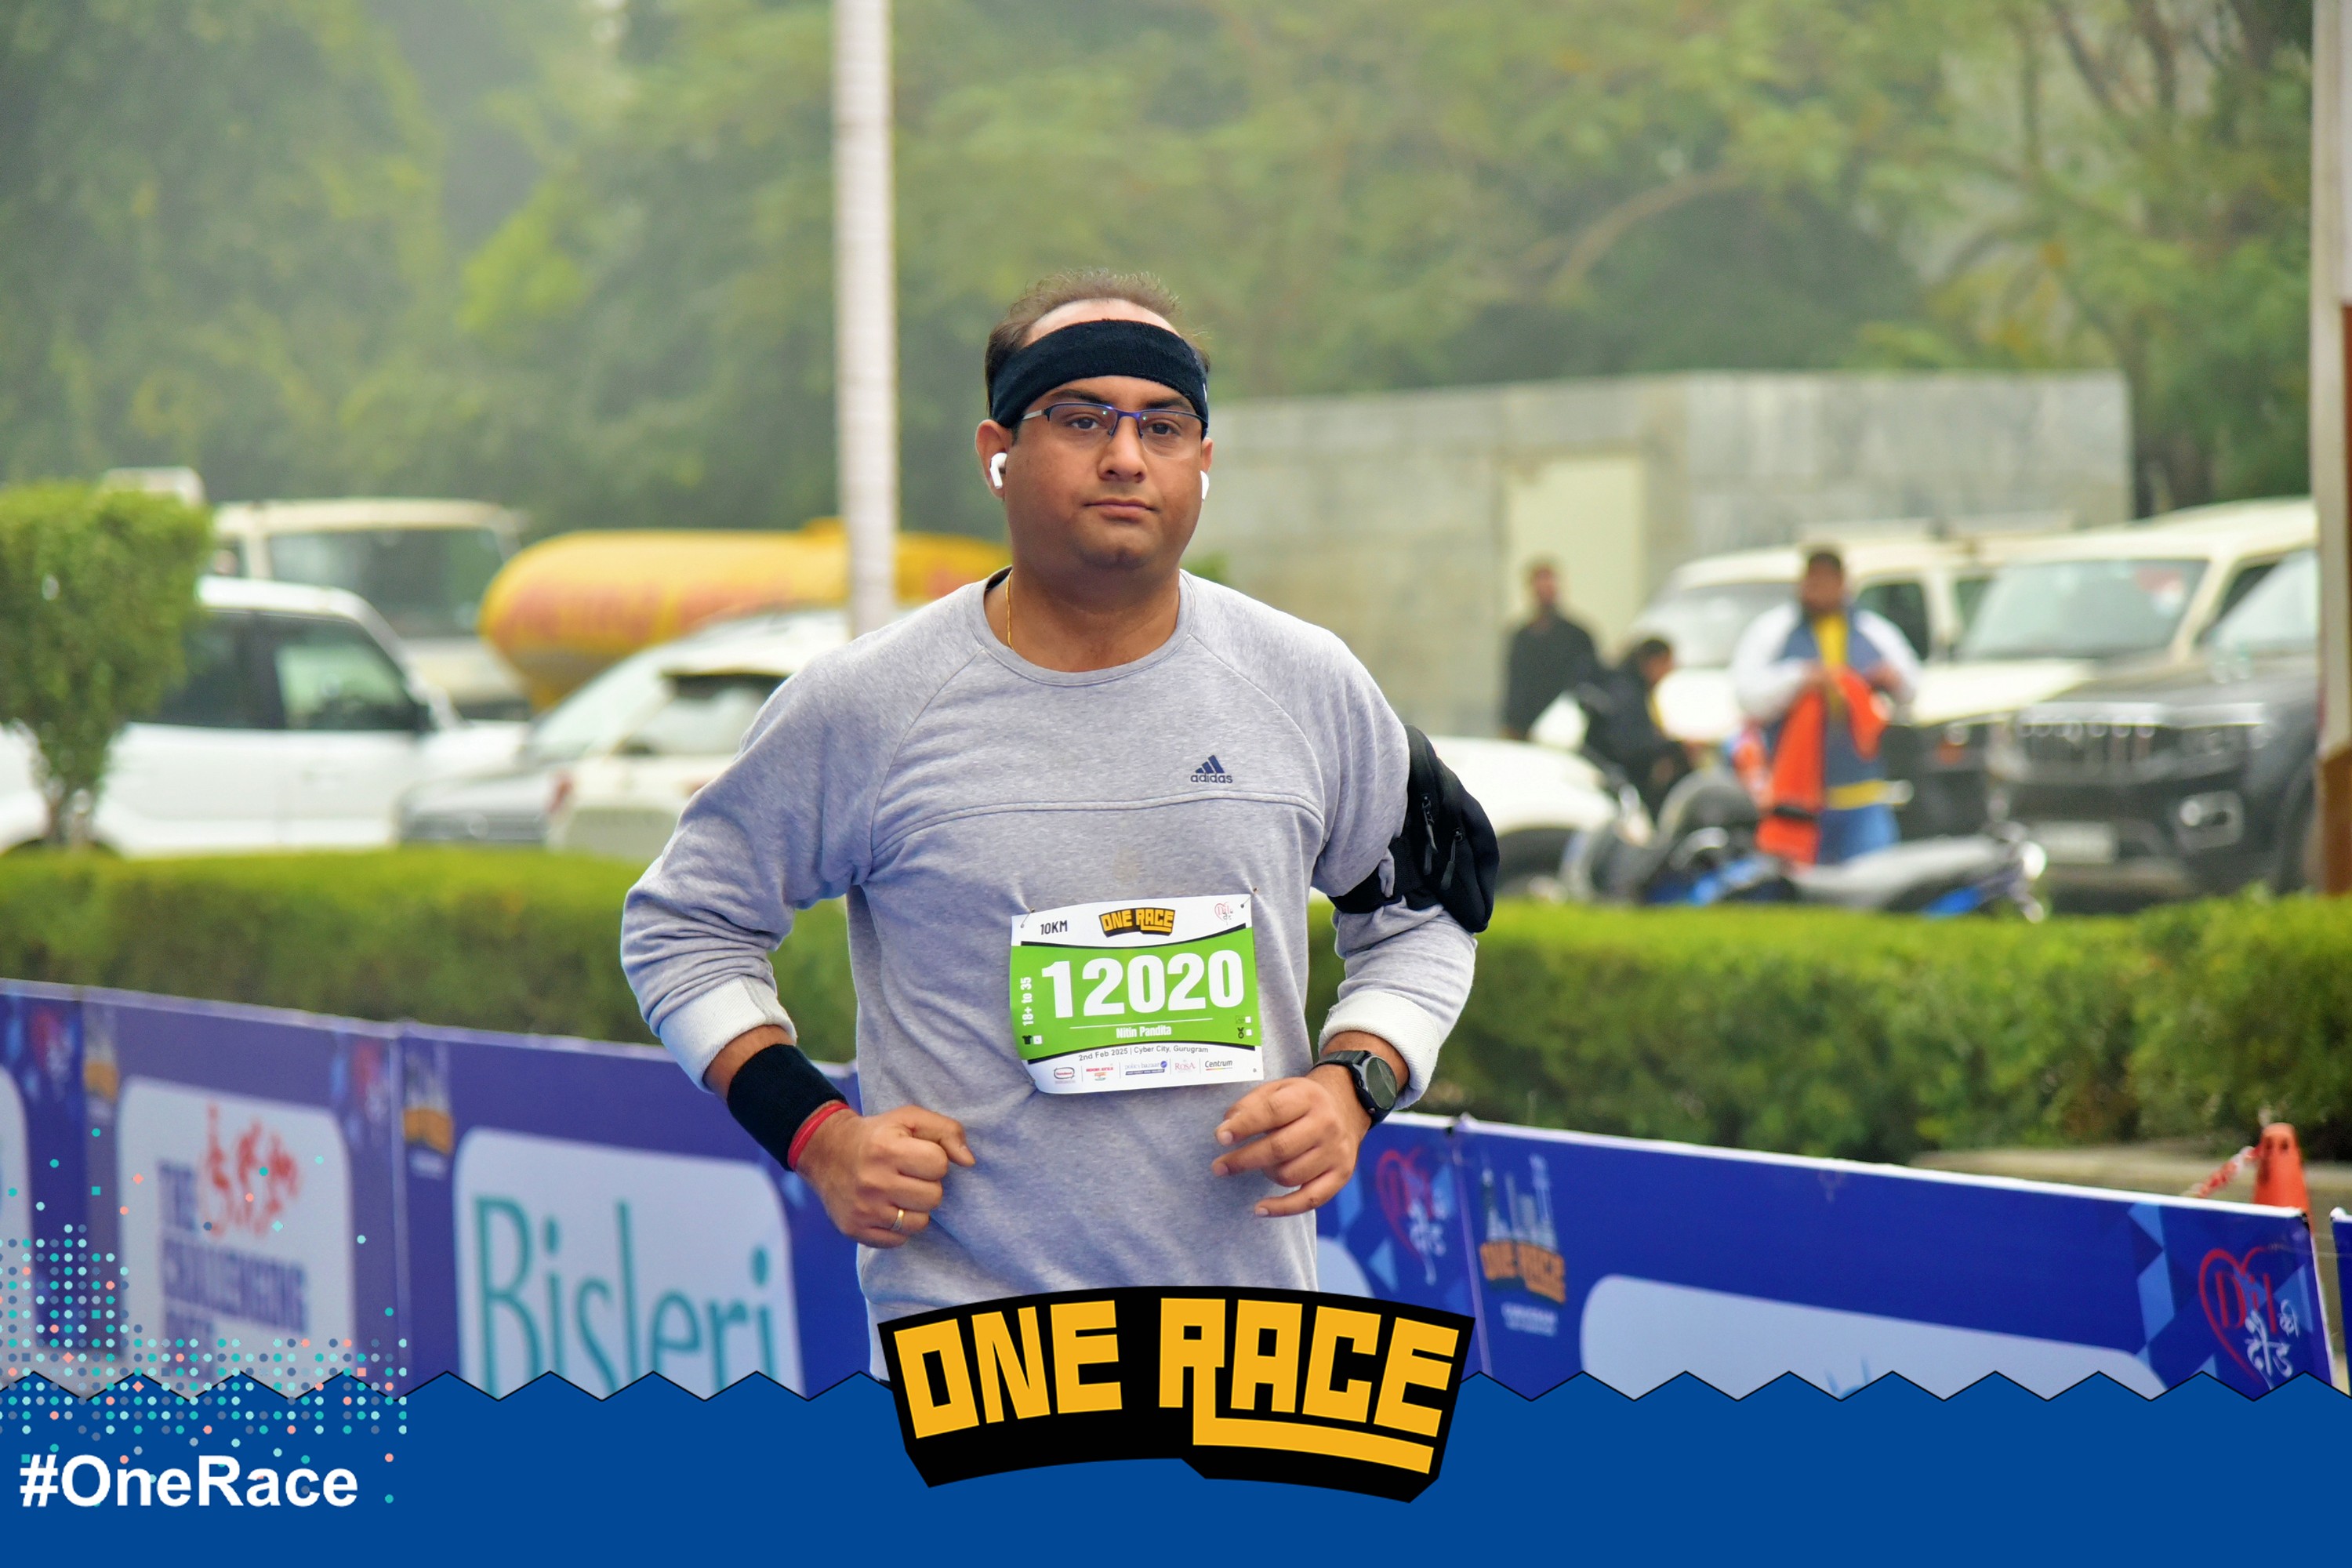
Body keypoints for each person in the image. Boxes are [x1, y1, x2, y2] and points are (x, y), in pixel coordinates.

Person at [621, 270, 1479, 1345]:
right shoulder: (871, 704)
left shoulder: (1305, 682)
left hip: (1245, 1349)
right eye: (1081, 419)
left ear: (1203, 462)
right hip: (973, 1349)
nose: (1126, 456)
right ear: (999, 451)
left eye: (1163, 426)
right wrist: (817, 1133)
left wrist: (1358, 1081)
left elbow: (1428, 911)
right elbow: (683, 926)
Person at [1729, 547, 1920, 866]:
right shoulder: (1774, 631)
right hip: (1799, 799)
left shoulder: (1873, 631)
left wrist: (1887, 680)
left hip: (1862, 793)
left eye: (1828, 580)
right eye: (1813, 580)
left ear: (1843, 583)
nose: (1819, 589)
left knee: (1873, 876)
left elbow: (1911, 688)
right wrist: (1801, 678)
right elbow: (1748, 696)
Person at [1581, 636, 1688, 816]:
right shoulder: (1626, 692)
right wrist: (1674, 746)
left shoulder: (1627, 686)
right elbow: (1631, 745)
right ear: (1652, 662)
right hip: (1617, 776)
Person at [1501, 561, 1600, 739]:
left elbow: (1588, 682)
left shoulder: (1577, 636)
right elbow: (1516, 685)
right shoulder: (1521, 637)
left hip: (1565, 727)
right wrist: (1511, 724)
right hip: (1527, 727)